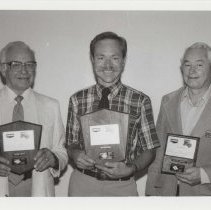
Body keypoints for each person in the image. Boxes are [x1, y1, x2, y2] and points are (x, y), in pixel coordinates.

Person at [66, 31, 160, 196]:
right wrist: (75, 154)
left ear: (123, 62)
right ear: (93, 60)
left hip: (122, 187)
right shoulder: (77, 99)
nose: (107, 65)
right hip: (82, 184)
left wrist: (132, 168)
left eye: (115, 58)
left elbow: (150, 149)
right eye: (101, 58)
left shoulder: (140, 101)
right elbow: (70, 143)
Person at [0, 41, 68, 197]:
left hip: (38, 192)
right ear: (3, 68)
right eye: (16, 64)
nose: (25, 70)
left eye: (30, 64)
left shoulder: (51, 106)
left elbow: (62, 151)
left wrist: (54, 158)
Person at [146, 42, 211, 196]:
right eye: (187, 65)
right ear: (181, 69)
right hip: (166, 192)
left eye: (199, 65)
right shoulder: (168, 101)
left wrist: (204, 174)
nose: (192, 70)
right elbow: (159, 150)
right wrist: (151, 191)